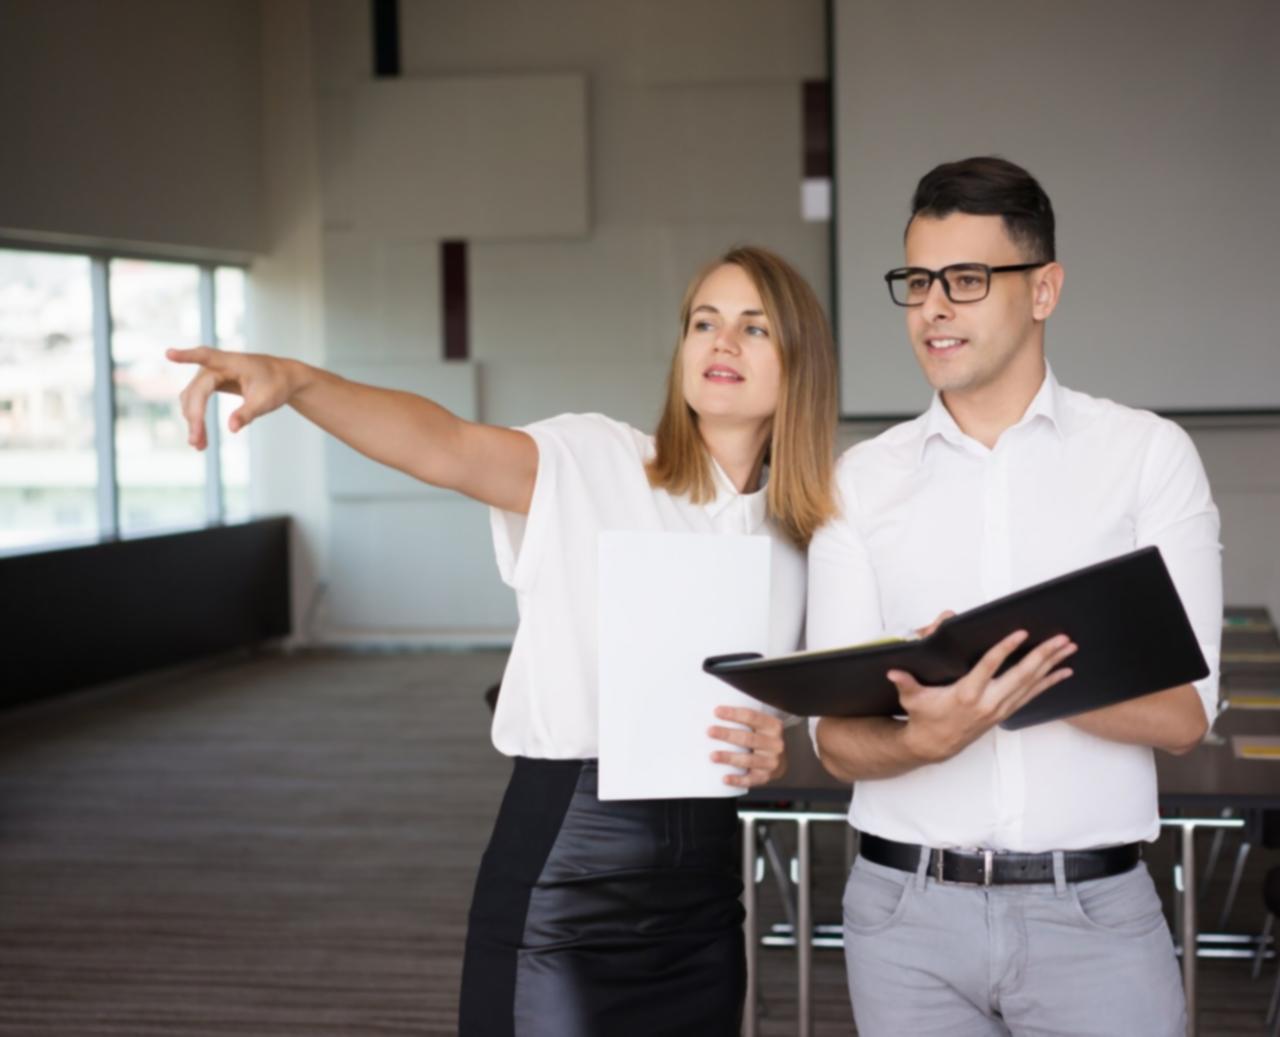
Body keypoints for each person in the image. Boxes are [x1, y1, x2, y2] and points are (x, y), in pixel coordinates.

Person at [170, 245, 838, 1036]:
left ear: (800, 363)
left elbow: (810, 728)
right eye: (705, 321)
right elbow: (443, 443)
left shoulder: (808, 532)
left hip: (704, 893)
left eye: (753, 328)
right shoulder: (600, 459)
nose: (721, 342)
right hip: (568, 872)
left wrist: (779, 752)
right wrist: (304, 382)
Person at [808, 157, 1222, 1036]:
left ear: (1044, 290)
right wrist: (928, 736)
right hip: (901, 919)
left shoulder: (1146, 457)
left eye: (966, 279)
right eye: (917, 281)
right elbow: (837, 743)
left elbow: (1187, 715)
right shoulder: (861, 481)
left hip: (1095, 918)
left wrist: (1008, 676)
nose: (933, 307)